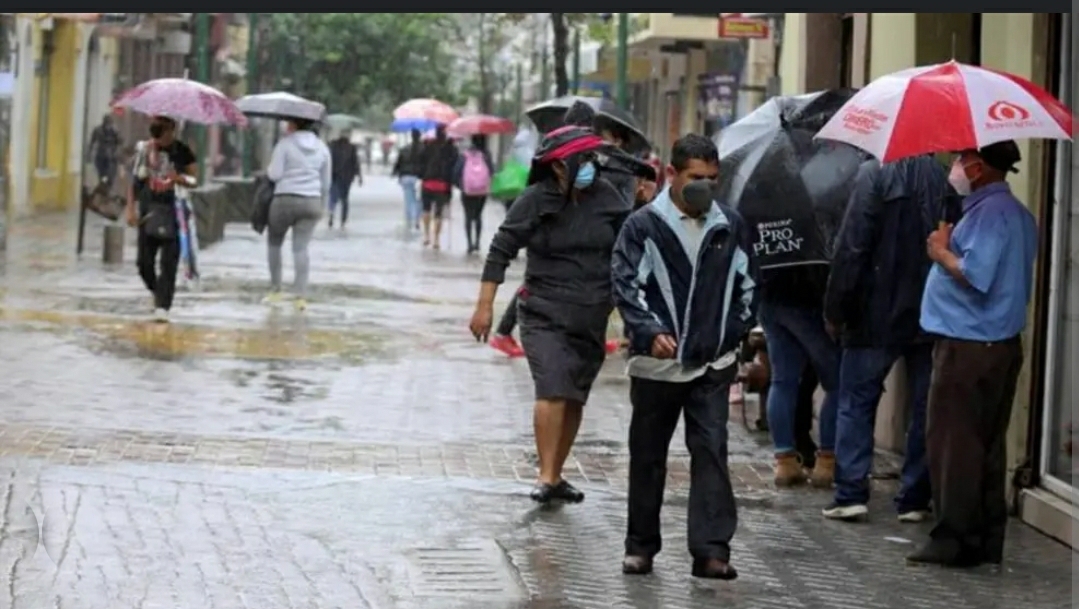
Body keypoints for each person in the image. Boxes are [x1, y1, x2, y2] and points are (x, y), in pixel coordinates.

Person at [612, 135, 757, 580]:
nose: (706, 187)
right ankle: (640, 547)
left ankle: (712, 551)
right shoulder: (642, 226)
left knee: (711, 451)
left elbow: (748, 291)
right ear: (672, 175)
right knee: (648, 454)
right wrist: (651, 331)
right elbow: (625, 285)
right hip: (656, 367)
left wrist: (727, 339)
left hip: (711, 367)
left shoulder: (729, 226)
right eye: (697, 178)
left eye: (714, 180)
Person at [469, 124, 631, 504]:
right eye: (584, 159)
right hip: (544, 312)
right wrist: (485, 305)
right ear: (559, 166)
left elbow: (629, 248)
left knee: (574, 396)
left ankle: (556, 475)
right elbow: (500, 249)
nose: (591, 165)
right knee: (553, 388)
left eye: (593, 157)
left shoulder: (606, 196)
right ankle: (545, 475)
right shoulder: (534, 200)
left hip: (592, 314)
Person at [908, 140, 1037, 567]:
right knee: (985, 444)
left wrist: (941, 250)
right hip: (996, 345)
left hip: (969, 347)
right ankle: (983, 537)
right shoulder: (1015, 213)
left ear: (979, 168)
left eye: (962, 160)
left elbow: (975, 274)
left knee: (954, 445)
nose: (956, 166)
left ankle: (953, 539)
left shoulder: (991, 214)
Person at [822, 155, 956, 522]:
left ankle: (851, 492)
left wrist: (835, 309)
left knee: (856, 400)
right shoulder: (944, 179)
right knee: (924, 406)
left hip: (874, 312)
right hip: (930, 312)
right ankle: (914, 498)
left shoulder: (872, 175)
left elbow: (851, 247)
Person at [758, 256, 841, 487]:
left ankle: (785, 461)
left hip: (769, 296)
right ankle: (827, 461)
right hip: (808, 299)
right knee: (837, 384)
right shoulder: (816, 219)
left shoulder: (759, 218)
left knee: (783, 381)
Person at [124, 115, 197, 323]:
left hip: (173, 211)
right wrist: (131, 209)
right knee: (143, 263)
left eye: (163, 134)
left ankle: (163, 305)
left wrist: (179, 178)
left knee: (169, 262)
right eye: (155, 135)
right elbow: (133, 182)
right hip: (149, 211)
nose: (159, 139)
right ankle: (158, 292)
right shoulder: (145, 151)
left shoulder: (182, 151)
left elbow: (194, 179)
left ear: (171, 132)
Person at [264, 117, 331, 311]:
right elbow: (326, 183)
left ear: (294, 125)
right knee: (301, 248)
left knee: (274, 244)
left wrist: (270, 169)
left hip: (284, 199)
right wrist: (323, 207)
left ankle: (276, 291)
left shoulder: (284, 144)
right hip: (311, 201)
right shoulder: (322, 148)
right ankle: (300, 296)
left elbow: (275, 175)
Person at [418, 125, 460, 249]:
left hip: (427, 182)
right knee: (438, 213)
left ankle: (426, 236)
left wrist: (423, 175)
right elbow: (455, 166)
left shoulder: (428, 146)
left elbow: (420, 163)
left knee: (426, 210)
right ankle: (436, 240)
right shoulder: (451, 148)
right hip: (443, 185)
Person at [455, 134, 495, 255]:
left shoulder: (465, 155)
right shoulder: (486, 155)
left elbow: (456, 172)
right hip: (481, 191)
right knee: (478, 216)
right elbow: (492, 171)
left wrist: (460, 185)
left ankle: (469, 244)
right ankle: (477, 242)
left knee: (468, 216)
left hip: (467, 191)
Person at [392, 129, 424, 232]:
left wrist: (395, 173)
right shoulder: (424, 149)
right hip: (419, 177)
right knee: (419, 200)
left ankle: (409, 220)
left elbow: (398, 163)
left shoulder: (405, 149)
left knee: (408, 200)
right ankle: (417, 219)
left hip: (406, 176)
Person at [327, 132, 361, 229]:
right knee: (345, 199)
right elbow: (355, 162)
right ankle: (343, 220)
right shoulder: (351, 148)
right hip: (347, 177)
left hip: (334, 175)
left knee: (333, 197)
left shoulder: (332, 146)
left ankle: (331, 213)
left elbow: (328, 161)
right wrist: (359, 176)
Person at [90, 114, 121, 188]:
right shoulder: (98, 130)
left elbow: (119, 142)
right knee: (102, 175)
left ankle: (106, 187)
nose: (108, 125)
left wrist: (116, 151)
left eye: (109, 123)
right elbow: (92, 141)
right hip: (101, 156)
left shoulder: (114, 131)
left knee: (109, 176)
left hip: (110, 157)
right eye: (107, 122)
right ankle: (104, 187)